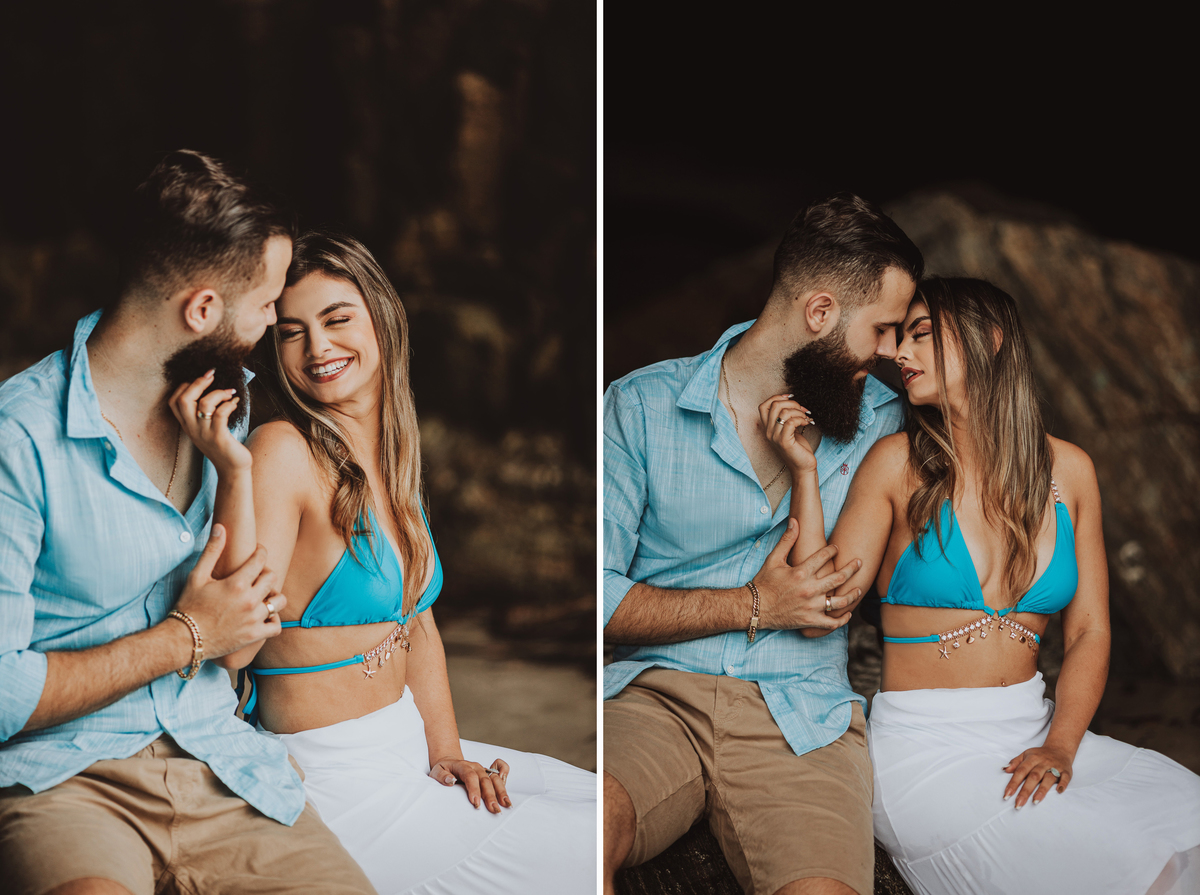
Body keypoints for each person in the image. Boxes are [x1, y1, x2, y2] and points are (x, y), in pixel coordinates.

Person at [173, 229, 596, 895]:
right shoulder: (283, 450)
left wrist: (448, 752)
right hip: (341, 781)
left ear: (382, 316)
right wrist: (233, 469)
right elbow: (228, 653)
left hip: (407, 745)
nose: (317, 348)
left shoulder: (391, 453)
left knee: (607, 808)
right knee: (588, 852)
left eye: (337, 319)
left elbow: (417, 622)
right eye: (291, 332)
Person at [0, 151, 376, 895]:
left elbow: (239, 647)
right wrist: (184, 637)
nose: (275, 323)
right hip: (64, 781)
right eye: (268, 303)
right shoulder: (18, 440)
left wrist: (233, 471)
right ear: (202, 311)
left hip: (222, 764)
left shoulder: (222, 406)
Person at [762, 276, 1200, 895]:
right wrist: (804, 473)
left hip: (1036, 729)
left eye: (920, 335)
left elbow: (1090, 630)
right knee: (1120, 856)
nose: (897, 353)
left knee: (1187, 818)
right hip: (924, 752)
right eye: (897, 339)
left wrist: (1062, 746)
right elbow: (818, 611)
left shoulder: (1071, 471)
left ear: (989, 341)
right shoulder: (896, 463)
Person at [603, 193, 925, 895]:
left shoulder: (882, 420)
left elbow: (837, 593)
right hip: (656, 696)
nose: (895, 353)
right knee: (581, 834)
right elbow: (594, 598)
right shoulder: (640, 406)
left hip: (801, 712)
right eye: (884, 329)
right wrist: (754, 603)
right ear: (819, 314)